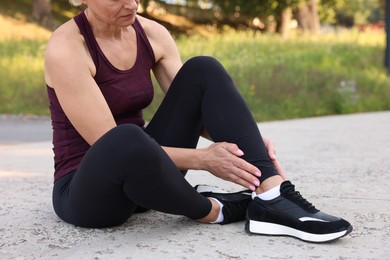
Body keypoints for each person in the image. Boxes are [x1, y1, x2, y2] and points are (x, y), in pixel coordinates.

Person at [44, 0, 352, 243]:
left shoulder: (152, 34)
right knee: (126, 138)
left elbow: (199, 107)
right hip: (89, 193)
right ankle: (212, 210)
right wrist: (205, 160)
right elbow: (108, 143)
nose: (132, 4)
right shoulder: (66, 48)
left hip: (146, 174)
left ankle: (272, 197)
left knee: (203, 69)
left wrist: (248, 146)